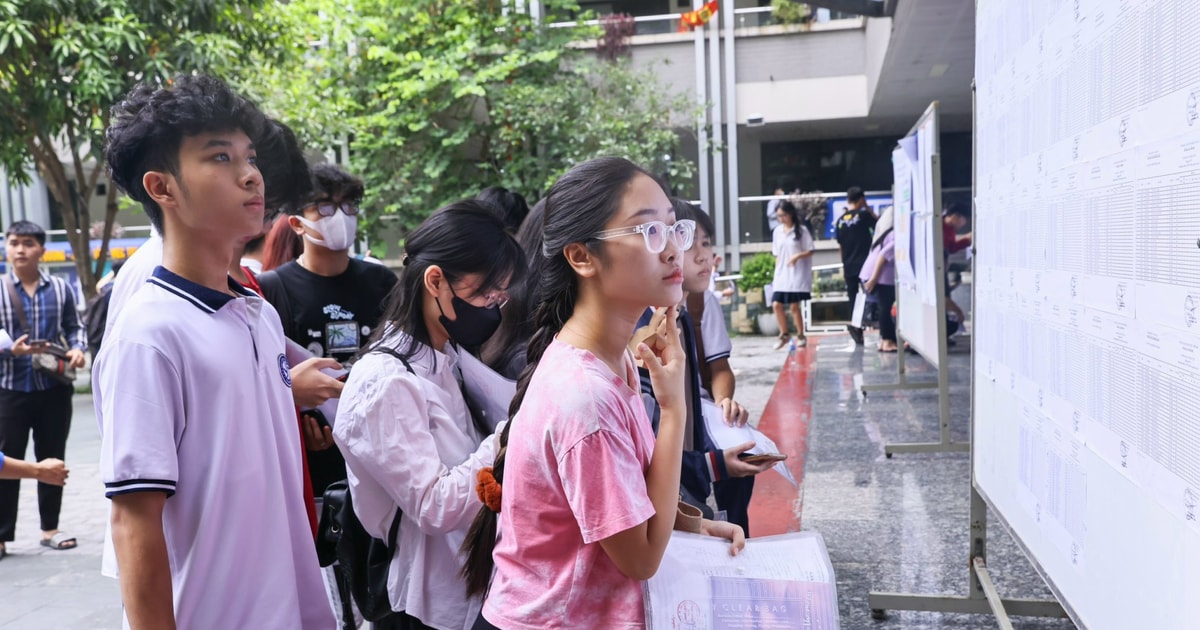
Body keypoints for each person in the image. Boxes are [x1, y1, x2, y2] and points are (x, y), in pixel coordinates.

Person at [461, 157, 744, 629]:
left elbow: (629, 496)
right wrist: (673, 411)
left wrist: (692, 525)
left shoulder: (611, 360)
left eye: (676, 229)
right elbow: (640, 560)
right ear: (581, 256)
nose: (675, 250)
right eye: (650, 232)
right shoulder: (585, 396)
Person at [97, 74, 332, 628]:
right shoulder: (149, 334)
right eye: (220, 157)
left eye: (248, 156)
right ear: (163, 187)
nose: (251, 175)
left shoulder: (259, 314)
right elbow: (135, 523)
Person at [335, 201, 524, 630]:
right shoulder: (386, 381)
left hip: (466, 584)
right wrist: (506, 436)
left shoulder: (445, 356)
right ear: (435, 280)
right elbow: (432, 507)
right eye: (483, 294)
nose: (493, 309)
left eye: (499, 297)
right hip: (424, 601)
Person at [640, 199, 770, 536]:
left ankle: (732, 531)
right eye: (687, 242)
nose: (701, 256)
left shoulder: (693, 305)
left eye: (706, 243)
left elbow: (719, 368)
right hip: (672, 433)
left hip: (697, 414)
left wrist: (724, 401)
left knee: (742, 450)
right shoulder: (640, 322)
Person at [0, 220, 87, 558]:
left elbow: (74, 327)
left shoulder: (62, 289)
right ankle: (2, 535)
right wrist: (10, 349)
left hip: (52, 387)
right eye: (13, 242)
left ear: (41, 249)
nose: (20, 249)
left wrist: (78, 347)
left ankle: (50, 528)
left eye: (27, 243)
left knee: (52, 457)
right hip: (10, 387)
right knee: (7, 462)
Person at [835, 186, 877, 345]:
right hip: (865, 264)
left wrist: (844, 264)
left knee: (853, 296)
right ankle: (876, 323)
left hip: (849, 264)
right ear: (861, 199)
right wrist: (867, 207)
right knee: (873, 294)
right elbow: (880, 225)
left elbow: (840, 245)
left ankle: (856, 326)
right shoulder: (864, 216)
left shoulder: (840, 221)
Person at [770, 199, 815, 350]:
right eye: (778, 216)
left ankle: (801, 335)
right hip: (782, 273)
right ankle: (784, 334)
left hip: (796, 273)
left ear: (790, 214)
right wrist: (776, 274)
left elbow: (810, 250)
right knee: (776, 304)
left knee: (794, 306)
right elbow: (777, 254)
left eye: (783, 215)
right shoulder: (777, 232)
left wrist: (797, 256)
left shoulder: (801, 231)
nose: (781, 219)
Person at [860, 208, 897, 353]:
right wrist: (874, 279)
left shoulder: (886, 233)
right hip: (880, 276)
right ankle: (887, 341)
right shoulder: (897, 235)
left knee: (884, 307)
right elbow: (883, 256)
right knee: (885, 308)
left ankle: (884, 340)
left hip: (874, 273)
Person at [942, 203, 972, 324]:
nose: (964, 224)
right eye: (964, 220)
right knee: (943, 298)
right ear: (955, 216)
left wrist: (967, 240)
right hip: (936, 271)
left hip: (943, 269)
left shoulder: (950, 228)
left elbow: (951, 247)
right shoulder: (938, 226)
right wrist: (958, 311)